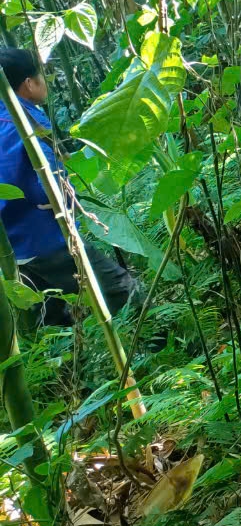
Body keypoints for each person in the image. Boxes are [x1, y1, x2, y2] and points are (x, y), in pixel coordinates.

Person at [0, 48, 136, 326]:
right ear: (29, 83)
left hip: (13, 247)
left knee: (53, 320)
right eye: (42, 74)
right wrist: (61, 196)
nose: (45, 80)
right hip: (45, 238)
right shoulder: (24, 121)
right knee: (122, 290)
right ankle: (156, 349)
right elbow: (48, 183)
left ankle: (75, 368)